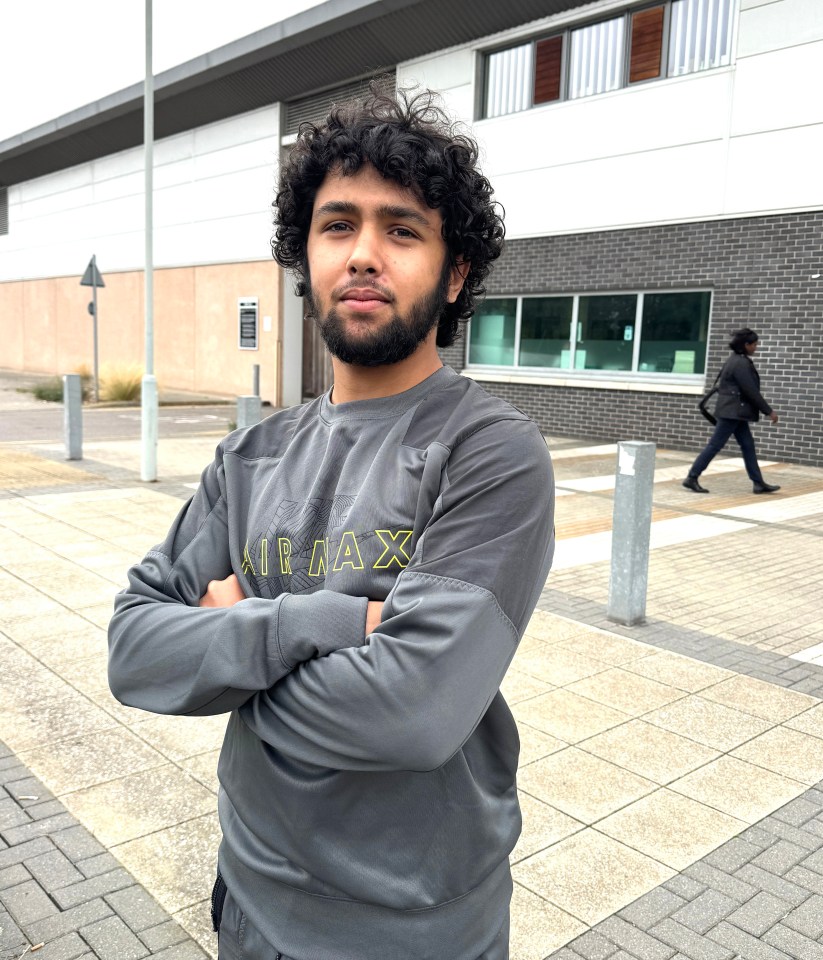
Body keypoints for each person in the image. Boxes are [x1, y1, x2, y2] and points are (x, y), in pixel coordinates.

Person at [108, 86, 555, 960]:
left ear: (454, 271)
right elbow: (134, 651)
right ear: (304, 254)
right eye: (337, 225)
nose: (363, 255)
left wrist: (229, 643)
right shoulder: (251, 457)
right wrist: (338, 623)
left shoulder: (489, 452)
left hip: (418, 930)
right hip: (248, 902)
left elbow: (412, 713)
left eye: (401, 230)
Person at [683, 328, 780, 494]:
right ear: (746, 345)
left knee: (748, 445)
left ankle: (758, 483)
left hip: (735, 412)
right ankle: (692, 477)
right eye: (754, 344)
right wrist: (768, 411)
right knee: (715, 445)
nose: (756, 347)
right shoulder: (740, 363)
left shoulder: (735, 360)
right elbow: (750, 391)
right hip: (732, 412)